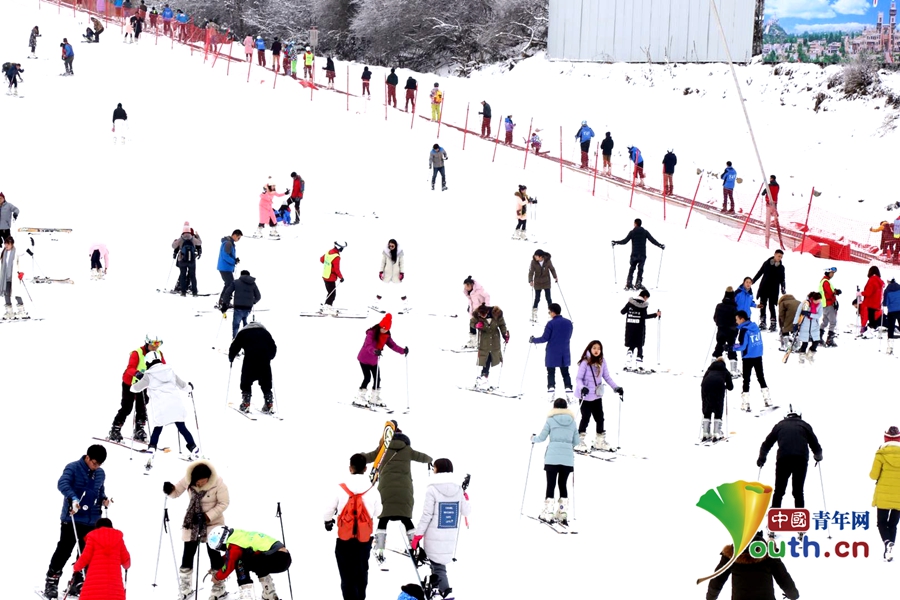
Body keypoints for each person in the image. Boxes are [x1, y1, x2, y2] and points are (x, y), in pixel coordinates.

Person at [43, 445, 110, 599]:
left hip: (92, 520)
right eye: (94, 463)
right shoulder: (73, 467)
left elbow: (100, 491)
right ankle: (52, 581)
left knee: (86, 553)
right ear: (87, 457)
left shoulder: (100, 473)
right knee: (64, 550)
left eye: (99, 464)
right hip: (72, 517)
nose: (96, 466)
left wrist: (104, 499)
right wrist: (73, 497)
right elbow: (62, 483)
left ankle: (77, 581)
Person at [363, 424, 433, 563]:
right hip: (404, 490)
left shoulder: (383, 449)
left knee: (383, 520)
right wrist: (431, 460)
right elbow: (423, 457)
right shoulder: (407, 449)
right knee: (406, 519)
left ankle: (380, 549)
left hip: (385, 490)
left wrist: (356, 457)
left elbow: (368, 457)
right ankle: (415, 547)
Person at [164, 461, 229, 600]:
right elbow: (176, 492)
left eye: (203, 482)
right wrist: (169, 489)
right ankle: (185, 587)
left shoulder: (218, 483)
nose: (200, 485)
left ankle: (219, 586)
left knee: (214, 553)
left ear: (209, 477)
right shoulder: (187, 479)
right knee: (188, 553)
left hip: (213, 523)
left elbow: (224, 503)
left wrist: (207, 516)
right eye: (198, 482)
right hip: (192, 522)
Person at [324, 453, 383, 600]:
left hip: (344, 539)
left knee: (347, 576)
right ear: (365, 468)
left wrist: (328, 521)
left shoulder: (341, 488)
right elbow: (378, 511)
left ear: (350, 468)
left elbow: (328, 509)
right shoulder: (372, 489)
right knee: (361, 573)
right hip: (364, 540)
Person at [410, 459, 471, 600]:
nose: (433, 470)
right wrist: (465, 498)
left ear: (438, 469)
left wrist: (418, 536)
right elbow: (467, 511)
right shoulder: (458, 489)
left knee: (438, 566)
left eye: (434, 468)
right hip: (450, 537)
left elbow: (427, 515)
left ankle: (446, 592)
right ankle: (436, 589)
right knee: (438, 564)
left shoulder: (432, 489)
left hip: (433, 536)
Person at [130, 351, 198, 461]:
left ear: (148, 362)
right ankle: (194, 448)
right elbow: (183, 385)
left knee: (157, 428)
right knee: (182, 427)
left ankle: (152, 448)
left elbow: (135, 388)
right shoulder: (170, 371)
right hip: (176, 405)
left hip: (161, 409)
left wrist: (134, 384)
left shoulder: (149, 375)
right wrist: (190, 387)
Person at [758, 404, 822, 515]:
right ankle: (800, 523)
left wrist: (762, 458)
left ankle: (774, 522)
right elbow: (816, 446)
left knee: (779, 491)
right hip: (801, 460)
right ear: (799, 414)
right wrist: (818, 457)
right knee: (798, 491)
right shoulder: (805, 426)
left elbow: (766, 444)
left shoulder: (779, 426)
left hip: (783, 459)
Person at [705, 530, 799, 600]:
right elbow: (783, 577)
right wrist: (793, 595)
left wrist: (710, 598)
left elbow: (717, 580)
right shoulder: (769, 554)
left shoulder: (731, 555)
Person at [208, 526, 291, 600]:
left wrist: (217, 577)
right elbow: (231, 555)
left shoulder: (234, 545)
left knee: (240, 562)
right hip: (284, 557)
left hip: (276, 558)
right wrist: (220, 563)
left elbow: (230, 564)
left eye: (220, 547)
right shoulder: (237, 536)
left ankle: (247, 595)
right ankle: (269, 593)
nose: (222, 549)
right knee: (255, 560)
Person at [108, 335, 163, 443]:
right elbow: (130, 368)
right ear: (147, 343)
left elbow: (163, 366)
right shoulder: (137, 353)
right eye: (153, 344)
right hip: (130, 383)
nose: (156, 347)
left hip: (145, 384)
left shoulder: (159, 354)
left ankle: (139, 430)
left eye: (158, 344)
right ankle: (115, 429)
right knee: (127, 407)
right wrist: (137, 374)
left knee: (142, 407)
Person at [532, 398, 579, 523]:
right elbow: (577, 442)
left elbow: (541, 437)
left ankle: (548, 511)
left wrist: (533, 438)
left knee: (551, 484)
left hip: (552, 458)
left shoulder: (550, 420)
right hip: (567, 459)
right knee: (563, 484)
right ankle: (562, 512)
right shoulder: (573, 422)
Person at [574, 340, 621, 452]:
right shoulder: (585, 362)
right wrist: (582, 388)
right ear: (590, 349)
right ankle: (579, 441)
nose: (596, 350)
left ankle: (599, 441)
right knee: (585, 418)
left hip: (597, 395)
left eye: (598, 349)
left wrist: (616, 387)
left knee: (600, 418)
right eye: (594, 348)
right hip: (585, 396)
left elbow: (607, 377)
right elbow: (578, 379)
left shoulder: (602, 361)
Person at [70, 518, 130, 600]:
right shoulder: (118, 539)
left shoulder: (93, 537)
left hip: (93, 584)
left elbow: (85, 557)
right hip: (114, 585)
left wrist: (76, 568)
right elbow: (126, 561)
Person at [355, 314, 407, 408]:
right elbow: (368, 345)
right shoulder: (371, 332)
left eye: (386, 329)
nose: (383, 330)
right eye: (382, 328)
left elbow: (392, 345)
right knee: (367, 378)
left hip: (374, 360)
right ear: (380, 326)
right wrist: (375, 351)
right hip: (364, 358)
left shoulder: (386, 336)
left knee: (377, 378)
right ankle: (359, 397)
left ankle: (374, 397)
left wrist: (403, 351)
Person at [229, 319, 277, 415]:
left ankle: (246, 403)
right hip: (264, 361)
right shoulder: (265, 333)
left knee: (246, 382)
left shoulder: (244, 332)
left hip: (250, 360)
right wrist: (270, 357)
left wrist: (231, 357)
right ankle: (269, 403)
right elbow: (273, 347)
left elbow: (235, 345)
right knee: (266, 383)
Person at [530, 303, 574, 400]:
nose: (549, 313)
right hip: (564, 352)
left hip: (552, 352)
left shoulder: (551, 324)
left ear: (553, 312)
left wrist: (533, 340)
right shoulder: (568, 323)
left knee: (551, 372)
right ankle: (569, 391)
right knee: (565, 373)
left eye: (549, 311)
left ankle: (551, 390)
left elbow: (545, 338)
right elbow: (569, 336)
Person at [870, 425, 900, 562]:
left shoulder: (881, 454)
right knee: (893, 524)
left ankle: (887, 542)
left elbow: (873, 475)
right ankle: (889, 551)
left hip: (883, 494)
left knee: (881, 522)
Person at [612, 218, 664, 291]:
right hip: (642, 254)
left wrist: (616, 242)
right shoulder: (645, 232)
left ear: (635, 224)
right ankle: (638, 283)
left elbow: (625, 241)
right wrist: (660, 245)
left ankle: (629, 283)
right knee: (640, 269)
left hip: (634, 254)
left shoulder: (632, 232)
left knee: (632, 268)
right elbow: (652, 240)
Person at [734, 310, 770, 412]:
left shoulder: (744, 330)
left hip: (748, 357)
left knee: (746, 379)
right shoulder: (755, 327)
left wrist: (731, 347)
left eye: (737, 319)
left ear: (742, 319)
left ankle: (745, 403)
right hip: (758, 355)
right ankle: (767, 399)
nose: (736, 322)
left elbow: (742, 346)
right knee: (761, 377)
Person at [471, 304, 508, 389]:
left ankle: (485, 377)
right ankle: (483, 376)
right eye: (481, 315)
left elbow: (502, 325)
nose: (482, 317)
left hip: (494, 340)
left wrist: (504, 335)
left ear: (487, 312)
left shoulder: (497, 314)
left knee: (492, 357)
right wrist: (476, 325)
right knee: (485, 358)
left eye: (483, 315)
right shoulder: (478, 314)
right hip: (484, 340)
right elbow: (472, 322)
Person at [621, 289, 659, 368]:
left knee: (631, 343)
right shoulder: (643, 305)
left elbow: (622, 312)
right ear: (645, 296)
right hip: (639, 327)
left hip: (630, 326)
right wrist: (656, 314)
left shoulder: (630, 302)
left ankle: (630, 353)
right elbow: (644, 316)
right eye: (647, 298)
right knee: (639, 345)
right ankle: (639, 361)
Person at [751, 249, 786, 332]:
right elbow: (760, 273)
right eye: (778, 256)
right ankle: (762, 322)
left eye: (781, 257)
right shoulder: (766, 263)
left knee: (771, 306)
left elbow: (782, 279)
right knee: (762, 304)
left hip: (774, 289)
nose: (779, 258)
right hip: (764, 287)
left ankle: (773, 323)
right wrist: (753, 281)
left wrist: (783, 287)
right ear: (774, 255)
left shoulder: (781, 268)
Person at [700, 357, 732, 442]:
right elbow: (730, 387)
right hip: (718, 386)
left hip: (705, 386)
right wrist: (725, 385)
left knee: (707, 408)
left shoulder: (709, 370)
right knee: (718, 408)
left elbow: (702, 381)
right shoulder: (725, 371)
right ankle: (716, 433)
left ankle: (705, 433)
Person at [222, 270, 261, 338]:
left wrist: (225, 303)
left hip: (238, 307)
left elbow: (227, 292)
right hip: (248, 308)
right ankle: (246, 341)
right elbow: (258, 296)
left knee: (236, 326)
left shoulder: (236, 282)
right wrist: (252, 301)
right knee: (246, 326)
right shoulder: (252, 283)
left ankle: (235, 341)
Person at [712, 286, 739, 376]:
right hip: (731, 331)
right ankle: (733, 370)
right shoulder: (734, 308)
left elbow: (715, 318)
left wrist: (720, 324)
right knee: (732, 349)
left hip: (721, 330)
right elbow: (736, 320)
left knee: (719, 347)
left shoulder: (719, 306)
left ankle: (714, 367)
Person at [0, 236, 27, 320]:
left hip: (14, 276)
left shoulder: (16, 252)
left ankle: (21, 311)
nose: (6, 246)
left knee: (16, 293)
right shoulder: (4, 252)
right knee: (6, 293)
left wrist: (21, 272)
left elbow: (20, 262)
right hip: (5, 278)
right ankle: (9, 312)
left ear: (11, 244)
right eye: (5, 244)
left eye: (7, 244)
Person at [215, 230, 242, 311]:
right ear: (234, 235)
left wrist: (234, 259)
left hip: (226, 267)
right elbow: (225, 256)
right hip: (225, 268)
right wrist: (233, 261)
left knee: (229, 284)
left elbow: (228, 255)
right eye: (238, 237)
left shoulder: (229, 242)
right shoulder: (228, 243)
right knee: (229, 285)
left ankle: (224, 301)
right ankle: (223, 302)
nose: (238, 239)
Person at [792, 291, 822, 364]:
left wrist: (809, 314)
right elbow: (798, 314)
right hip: (804, 326)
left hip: (814, 327)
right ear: (813, 299)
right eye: (817, 301)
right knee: (804, 343)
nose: (819, 302)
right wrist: (795, 324)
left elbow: (819, 315)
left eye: (820, 300)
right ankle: (801, 357)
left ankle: (810, 355)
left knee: (816, 341)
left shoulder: (819, 305)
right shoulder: (805, 303)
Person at [377, 238, 407, 309]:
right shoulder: (386, 253)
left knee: (400, 289)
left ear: (396, 246)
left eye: (392, 246)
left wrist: (402, 273)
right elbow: (383, 262)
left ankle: (405, 304)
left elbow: (401, 264)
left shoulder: (399, 253)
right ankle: (376, 303)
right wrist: (381, 271)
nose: (391, 248)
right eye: (389, 246)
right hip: (387, 274)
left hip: (396, 275)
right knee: (382, 288)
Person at [172, 224, 201, 297]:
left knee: (183, 275)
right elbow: (200, 242)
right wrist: (197, 236)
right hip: (192, 260)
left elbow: (173, 246)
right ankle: (194, 292)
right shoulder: (193, 238)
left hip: (182, 259)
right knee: (193, 276)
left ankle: (183, 292)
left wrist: (174, 241)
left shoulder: (181, 239)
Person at [528, 248, 557, 320]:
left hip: (546, 281)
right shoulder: (533, 262)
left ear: (541, 256)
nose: (535, 257)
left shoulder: (547, 261)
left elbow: (552, 269)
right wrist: (530, 280)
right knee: (537, 298)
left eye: (536, 256)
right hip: (537, 282)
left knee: (548, 298)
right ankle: (534, 313)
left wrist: (555, 276)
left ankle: (551, 313)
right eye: (535, 256)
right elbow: (531, 272)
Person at [462, 275, 490, 348]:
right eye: (464, 286)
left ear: (470, 285)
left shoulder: (479, 290)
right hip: (473, 311)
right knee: (472, 325)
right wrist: (469, 308)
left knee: (482, 326)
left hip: (481, 311)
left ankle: (484, 343)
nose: (465, 288)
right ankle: (473, 342)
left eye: (466, 286)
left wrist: (486, 307)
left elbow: (487, 296)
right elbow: (471, 301)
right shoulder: (468, 292)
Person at [320, 241, 346, 314]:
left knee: (330, 292)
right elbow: (337, 270)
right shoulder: (336, 257)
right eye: (342, 248)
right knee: (332, 294)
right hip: (330, 277)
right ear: (339, 247)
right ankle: (327, 307)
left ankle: (327, 305)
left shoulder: (329, 252)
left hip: (325, 275)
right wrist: (341, 277)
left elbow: (321, 260)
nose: (342, 249)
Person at [859, 265, 885, 337]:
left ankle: (870, 331)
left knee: (870, 316)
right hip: (877, 303)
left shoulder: (872, 280)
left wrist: (861, 293)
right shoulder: (879, 281)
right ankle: (872, 330)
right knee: (872, 318)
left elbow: (869, 292)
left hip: (870, 302)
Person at [818, 267, 840, 347]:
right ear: (827, 272)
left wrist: (835, 291)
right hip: (829, 304)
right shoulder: (826, 282)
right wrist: (836, 292)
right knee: (833, 322)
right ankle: (830, 340)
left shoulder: (824, 281)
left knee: (825, 322)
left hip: (825, 304)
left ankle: (818, 338)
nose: (833, 275)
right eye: (832, 273)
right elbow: (830, 293)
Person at [884, 277, 900, 355]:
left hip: (891, 311)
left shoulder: (887, 290)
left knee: (891, 328)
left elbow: (885, 303)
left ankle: (890, 348)